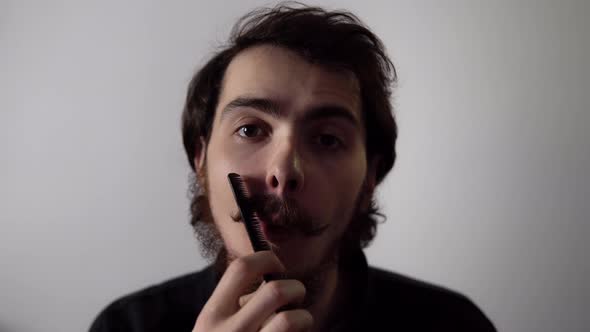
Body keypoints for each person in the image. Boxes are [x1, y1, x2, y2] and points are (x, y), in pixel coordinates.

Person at [90, 3, 496, 331]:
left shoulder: (453, 325)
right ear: (200, 160)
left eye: (326, 139)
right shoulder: (126, 326)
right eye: (250, 129)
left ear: (369, 177)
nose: (284, 171)